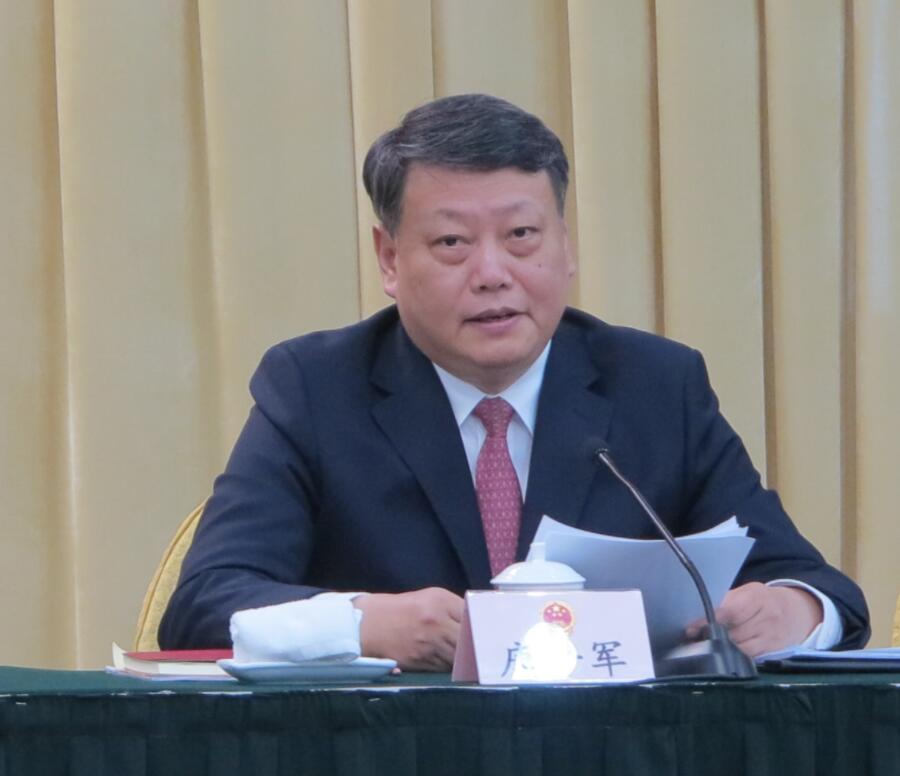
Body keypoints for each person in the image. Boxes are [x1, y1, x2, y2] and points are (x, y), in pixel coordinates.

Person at [159, 94, 870, 670]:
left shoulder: (657, 385)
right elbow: (204, 605)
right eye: (452, 243)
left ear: (565, 243)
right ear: (389, 259)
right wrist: (364, 623)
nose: (493, 273)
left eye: (522, 236)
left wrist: (792, 611)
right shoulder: (315, 389)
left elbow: (822, 590)